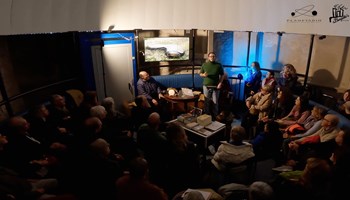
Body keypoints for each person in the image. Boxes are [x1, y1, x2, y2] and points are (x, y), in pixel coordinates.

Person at [199, 52, 225, 118]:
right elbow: (200, 74)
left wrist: (220, 83)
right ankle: (206, 116)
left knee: (215, 102)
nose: (212, 57)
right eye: (210, 56)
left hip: (215, 86)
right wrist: (203, 75)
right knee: (206, 102)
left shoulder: (218, 65)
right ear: (208, 57)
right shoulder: (204, 65)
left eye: (213, 56)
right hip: (206, 86)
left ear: (215, 57)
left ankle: (215, 117)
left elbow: (222, 75)